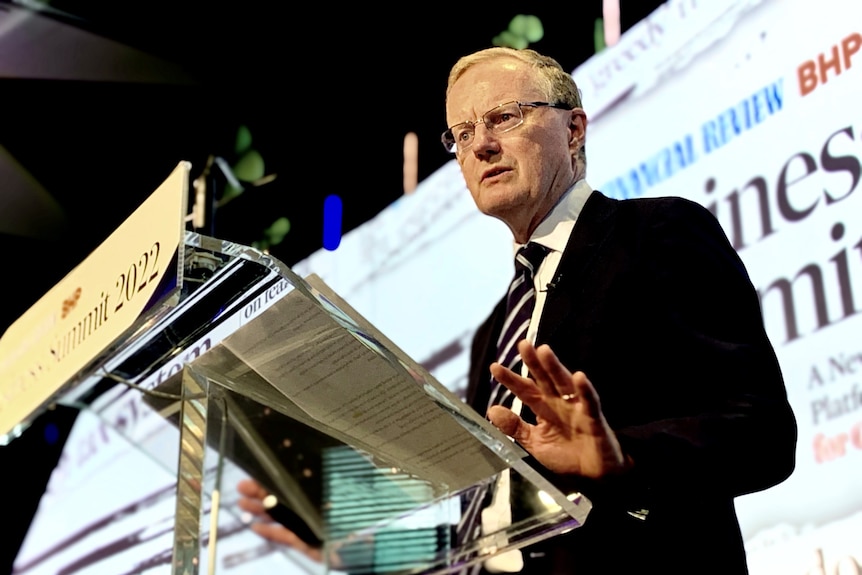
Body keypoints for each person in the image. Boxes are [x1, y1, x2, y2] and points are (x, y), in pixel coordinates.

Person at [238, 46, 797, 574]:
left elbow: (762, 431)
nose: (479, 145)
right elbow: (497, 529)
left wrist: (622, 459)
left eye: (503, 117)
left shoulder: (655, 234)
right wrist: (343, 540)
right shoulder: (494, 331)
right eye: (461, 132)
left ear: (573, 129)